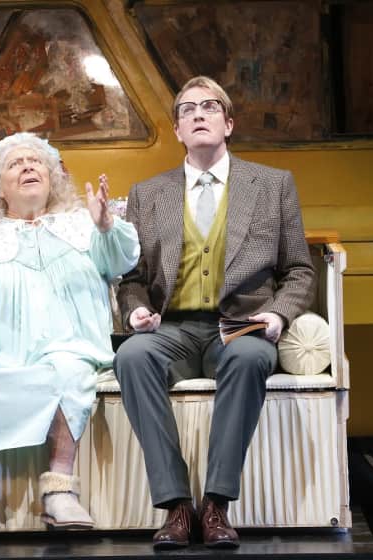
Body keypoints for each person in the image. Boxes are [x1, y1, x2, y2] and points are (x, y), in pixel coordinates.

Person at [114, 76, 316, 549]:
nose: (198, 115)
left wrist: (279, 316)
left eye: (209, 107)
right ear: (179, 131)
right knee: (132, 356)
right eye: (187, 110)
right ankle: (176, 505)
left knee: (248, 360)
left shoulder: (272, 185)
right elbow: (131, 279)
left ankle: (216, 505)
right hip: (175, 328)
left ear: (228, 123)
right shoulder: (149, 193)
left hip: (241, 327)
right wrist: (136, 311)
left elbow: (300, 270)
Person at [0, 132, 139, 538]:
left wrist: (106, 225)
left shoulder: (81, 223)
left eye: (36, 161)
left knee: (67, 370)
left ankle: (60, 488)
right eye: (15, 163)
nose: (27, 166)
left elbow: (121, 261)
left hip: (64, 344)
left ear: (52, 177)